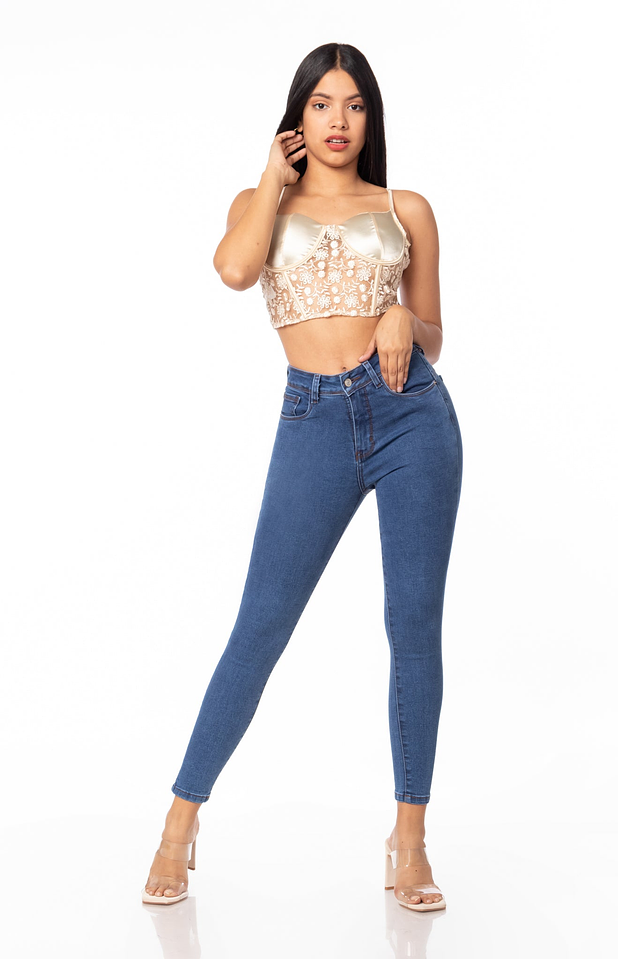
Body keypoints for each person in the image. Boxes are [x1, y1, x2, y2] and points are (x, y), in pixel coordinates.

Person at [142, 42, 463, 913]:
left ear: (370, 118)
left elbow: (434, 334)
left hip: (411, 415)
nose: (338, 121)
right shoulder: (259, 204)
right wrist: (269, 178)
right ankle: (179, 820)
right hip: (312, 418)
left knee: (412, 626)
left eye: (354, 105)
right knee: (260, 626)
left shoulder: (404, 207)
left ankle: (408, 840)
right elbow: (234, 271)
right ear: (296, 118)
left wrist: (401, 317)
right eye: (321, 104)